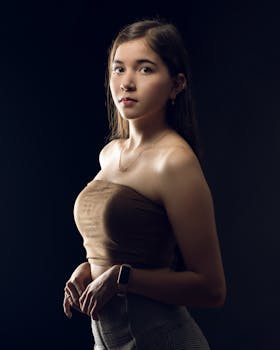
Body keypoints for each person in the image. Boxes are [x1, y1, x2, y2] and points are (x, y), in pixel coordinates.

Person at [63, 18, 226, 350]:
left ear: (176, 84)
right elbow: (122, 244)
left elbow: (212, 289)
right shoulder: (109, 154)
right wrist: (90, 269)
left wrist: (123, 277)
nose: (127, 83)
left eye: (146, 69)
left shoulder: (174, 162)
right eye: (119, 69)